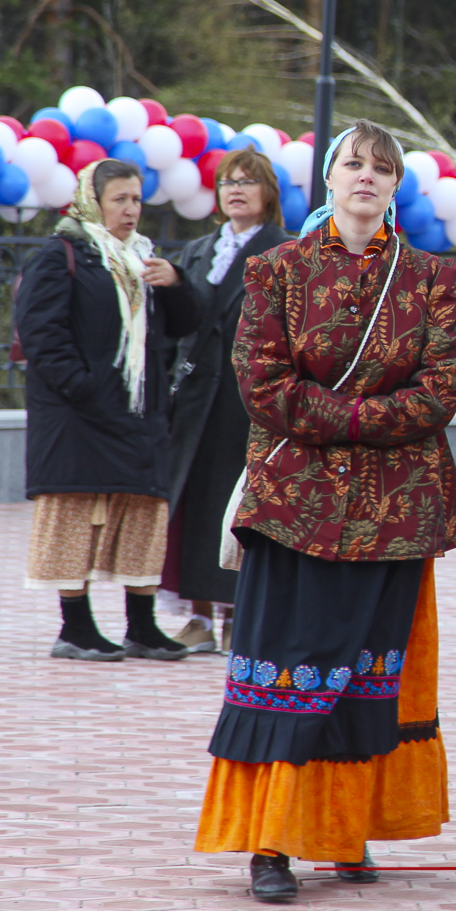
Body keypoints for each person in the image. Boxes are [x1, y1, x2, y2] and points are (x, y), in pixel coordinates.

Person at [193, 120, 456, 903]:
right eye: (354, 163)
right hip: (294, 506)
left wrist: (346, 421)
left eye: (383, 167)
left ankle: (345, 830)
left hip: (396, 510)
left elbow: (441, 388)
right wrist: (358, 421)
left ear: (396, 184)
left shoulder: (432, 276)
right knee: (287, 666)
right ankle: (272, 841)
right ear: (329, 177)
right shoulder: (277, 269)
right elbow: (262, 383)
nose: (368, 177)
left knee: (367, 672)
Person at [16, 159, 203, 662]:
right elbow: (42, 333)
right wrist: (84, 387)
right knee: (74, 515)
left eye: (137, 200)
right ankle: (76, 628)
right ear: (92, 200)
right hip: (78, 415)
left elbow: (183, 327)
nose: (130, 210)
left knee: (142, 514)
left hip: (138, 413)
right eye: (119, 199)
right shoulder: (62, 254)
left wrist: (176, 284)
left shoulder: (142, 259)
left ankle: (141, 627)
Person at [162, 148, 292, 653]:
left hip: (249, 400)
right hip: (194, 399)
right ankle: (196, 617)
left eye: (247, 181)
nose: (236, 190)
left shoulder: (285, 250)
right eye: (227, 182)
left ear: (268, 193)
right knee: (193, 505)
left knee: (240, 506)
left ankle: (241, 615)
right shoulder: (197, 251)